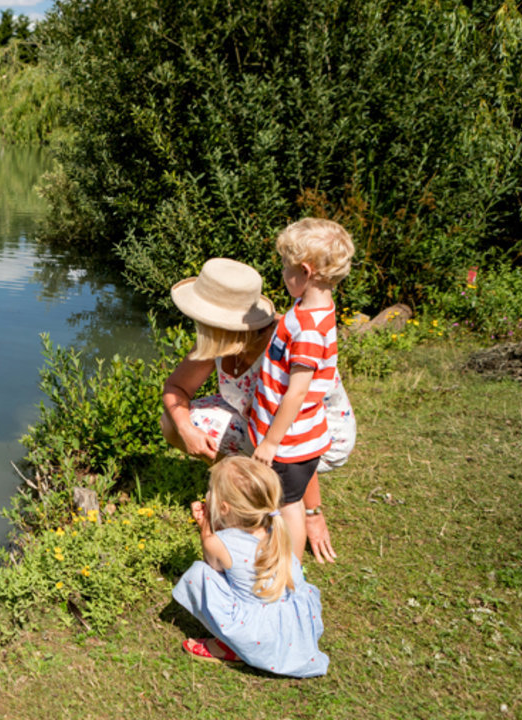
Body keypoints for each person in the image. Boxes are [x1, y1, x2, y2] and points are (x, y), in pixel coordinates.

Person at [161, 257, 355, 563]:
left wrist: (313, 512)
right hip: (263, 424)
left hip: (313, 436)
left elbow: (300, 434)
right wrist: (186, 429)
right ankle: (247, 484)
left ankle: (270, 502)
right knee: (172, 421)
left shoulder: (281, 349)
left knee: (281, 487)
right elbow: (175, 388)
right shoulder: (220, 340)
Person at [247, 218, 355, 562]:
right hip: (298, 437)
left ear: (305, 272)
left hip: (290, 443)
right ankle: (275, 554)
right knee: (279, 500)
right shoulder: (312, 310)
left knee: (288, 505)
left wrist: (270, 442)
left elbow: (296, 392)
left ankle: (289, 570)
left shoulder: (308, 329)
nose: (282, 272)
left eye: (285, 266)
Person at [172, 457, 328, 676]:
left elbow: (213, 564)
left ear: (224, 508)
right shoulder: (277, 530)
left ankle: (229, 647)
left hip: (256, 633)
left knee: (199, 575)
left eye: (210, 490)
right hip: (293, 625)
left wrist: (206, 528)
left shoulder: (221, 543)